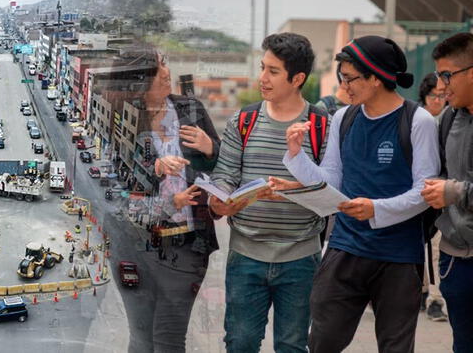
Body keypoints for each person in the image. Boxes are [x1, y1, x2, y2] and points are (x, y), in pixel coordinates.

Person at [283, 36, 439, 352]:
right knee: (322, 342)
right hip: (345, 247)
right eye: (342, 78)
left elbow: (426, 191)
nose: (345, 86)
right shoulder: (344, 118)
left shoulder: (417, 121)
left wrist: (376, 209)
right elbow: (331, 179)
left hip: (399, 257)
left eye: (350, 78)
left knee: (395, 347)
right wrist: (296, 156)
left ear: (377, 78)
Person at [209, 33, 328, 353]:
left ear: (297, 78)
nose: (263, 77)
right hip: (246, 256)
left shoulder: (320, 125)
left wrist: (293, 193)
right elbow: (225, 174)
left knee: (292, 345)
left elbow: (331, 189)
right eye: (263, 67)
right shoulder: (245, 120)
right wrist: (219, 198)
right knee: (240, 342)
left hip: (301, 258)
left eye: (273, 71)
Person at [102, 46, 220, 353]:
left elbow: (221, 168)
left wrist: (211, 149)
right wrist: (153, 169)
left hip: (188, 245)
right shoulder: (121, 123)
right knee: (141, 337)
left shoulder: (189, 109)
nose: (166, 72)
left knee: (169, 338)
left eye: (164, 64)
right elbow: (119, 195)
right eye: (157, 70)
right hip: (136, 245)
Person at [421, 32, 473, 352]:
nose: (441, 86)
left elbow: (451, 187)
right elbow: (440, 173)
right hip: (457, 260)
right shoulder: (449, 118)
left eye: (446, 75)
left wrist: (454, 192)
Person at [416, 72, 449, 322]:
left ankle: (435, 300)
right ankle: (424, 291)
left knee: (436, 246)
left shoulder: (452, 120)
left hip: (443, 194)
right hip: (418, 194)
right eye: (433, 95)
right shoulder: (417, 120)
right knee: (422, 245)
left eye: (441, 95)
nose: (438, 100)